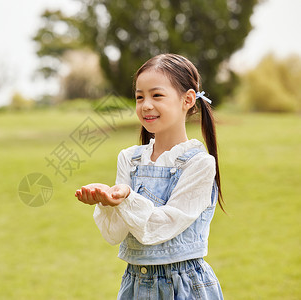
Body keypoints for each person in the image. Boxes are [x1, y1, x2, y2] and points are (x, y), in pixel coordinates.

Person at [75, 53, 224, 299]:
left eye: (157, 95)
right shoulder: (129, 159)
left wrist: (126, 198)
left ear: (187, 99)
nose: (145, 105)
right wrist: (108, 201)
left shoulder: (200, 164)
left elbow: (163, 225)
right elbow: (116, 234)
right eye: (139, 97)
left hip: (184, 287)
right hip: (135, 283)